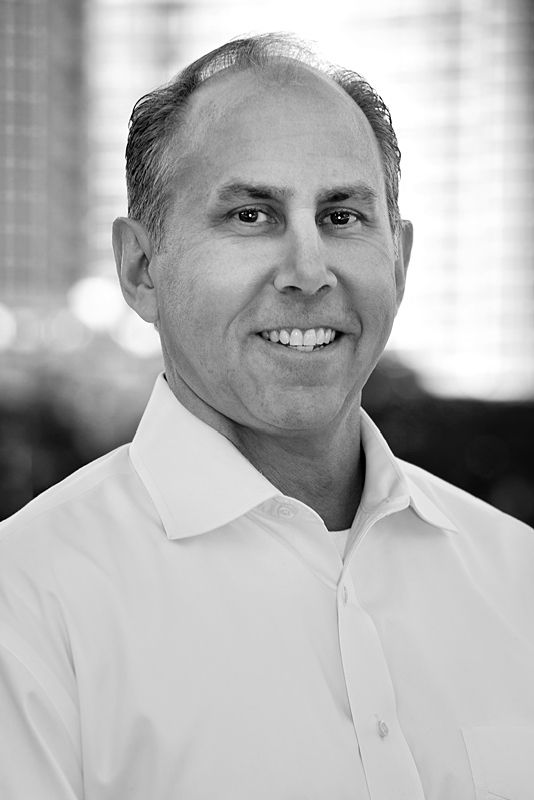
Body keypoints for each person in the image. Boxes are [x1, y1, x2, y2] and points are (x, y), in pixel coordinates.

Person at [1, 33, 533, 800]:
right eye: (252, 215)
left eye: (344, 215)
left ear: (401, 260)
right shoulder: (28, 606)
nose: (310, 272)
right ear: (141, 269)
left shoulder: (517, 577)